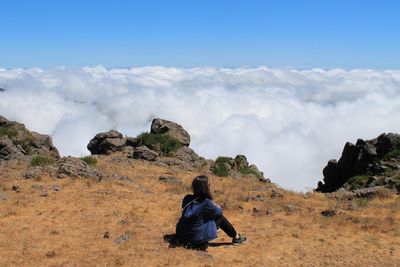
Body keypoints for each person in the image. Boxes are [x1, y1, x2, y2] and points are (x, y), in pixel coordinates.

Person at [175, 175, 247, 249]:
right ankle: (236, 237)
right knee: (220, 218)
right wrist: (215, 206)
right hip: (197, 241)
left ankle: (231, 234)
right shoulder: (207, 203)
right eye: (208, 185)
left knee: (203, 218)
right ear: (205, 188)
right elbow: (219, 212)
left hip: (182, 236)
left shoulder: (187, 198)